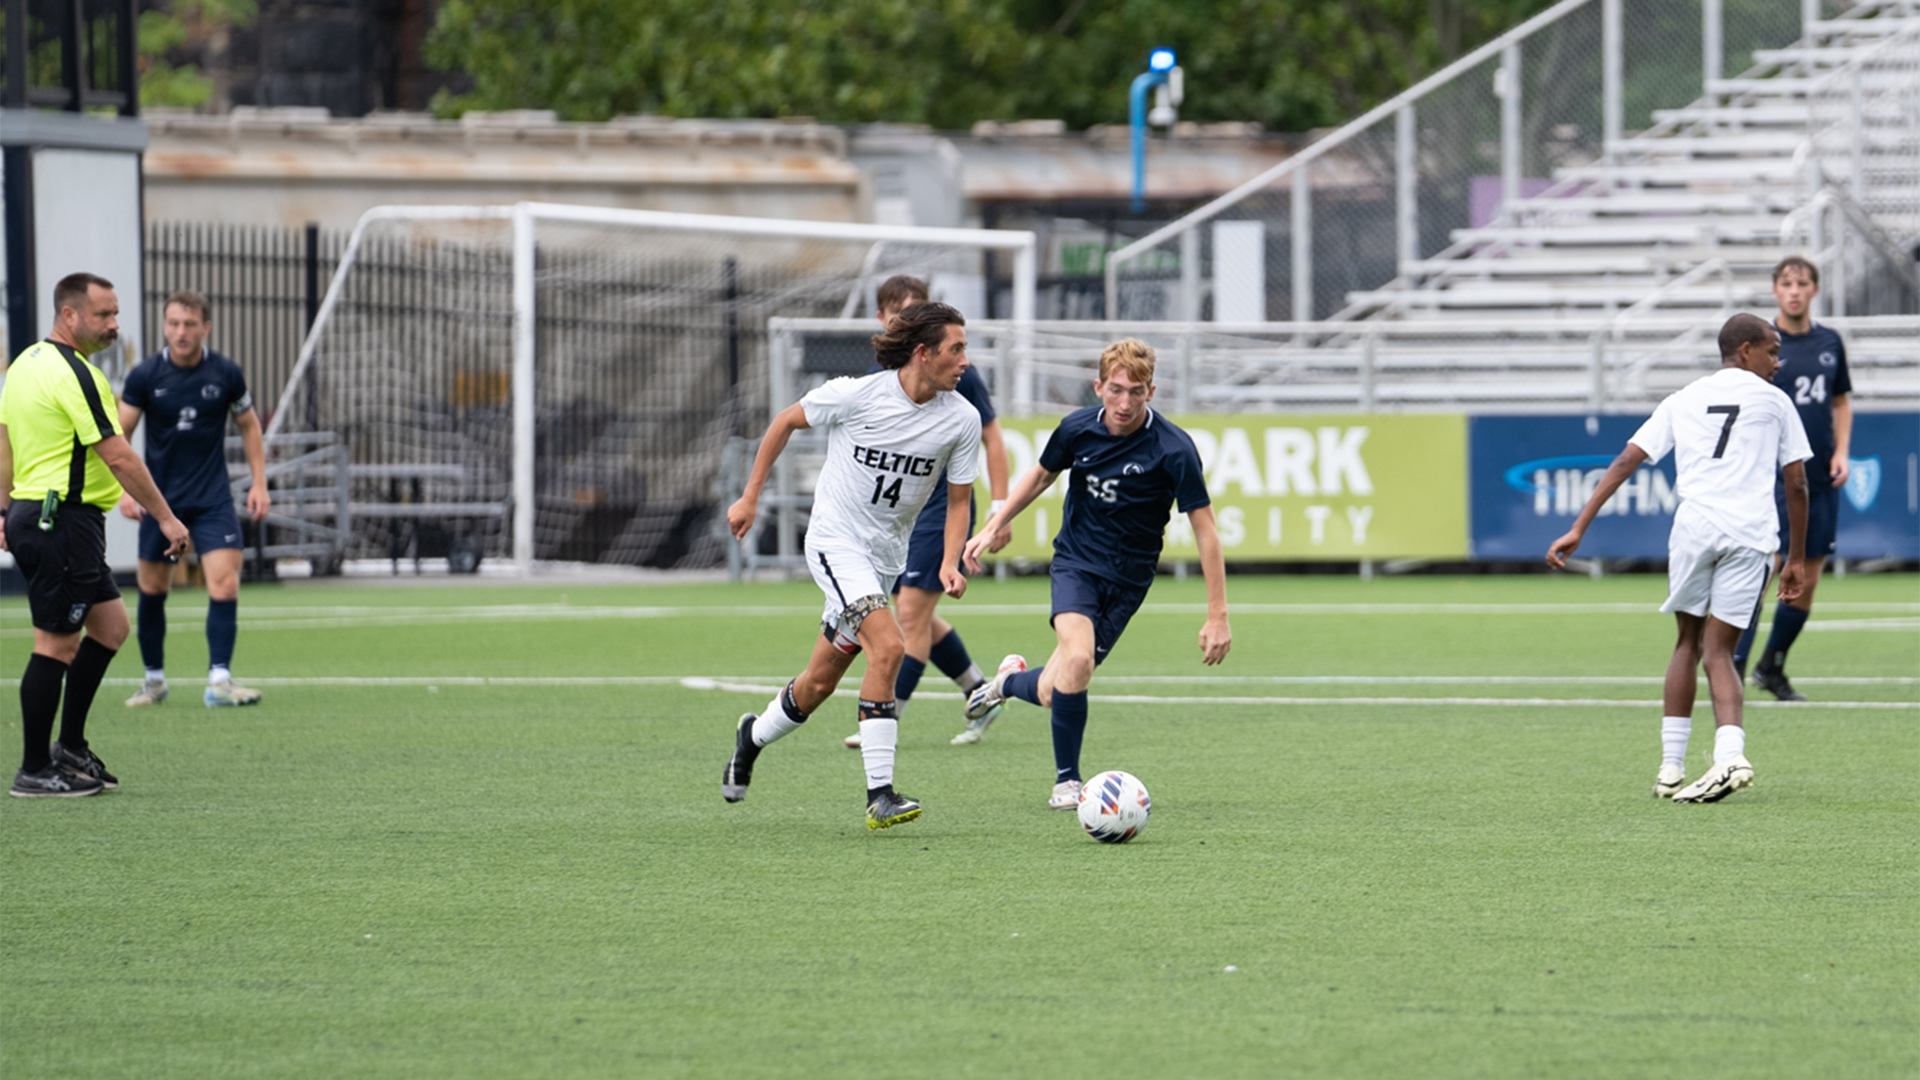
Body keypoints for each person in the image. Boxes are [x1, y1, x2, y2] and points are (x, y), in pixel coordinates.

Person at [722, 301, 982, 830]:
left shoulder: (962, 418)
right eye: (956, 349)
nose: (965, 361)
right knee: (890, 646)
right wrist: (750, 497)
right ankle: (880, 793)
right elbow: (784, 421)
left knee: (817, 684)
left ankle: (750, 738)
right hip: (835, 543)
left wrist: (950, 561)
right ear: (922, 352)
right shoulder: (859, 394)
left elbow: (958, 501)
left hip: (886, 558)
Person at [960, 338, 1232, 810]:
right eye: (1116, 390)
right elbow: (1041, 477)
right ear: (1098, 386)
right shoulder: (1076, 429)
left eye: (1136, 391)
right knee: (1079, 661)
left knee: (1054, 688)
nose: (1124, 402)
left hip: (1129, 581)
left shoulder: (1174, 449)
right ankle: (1068, 782)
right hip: (1077, 565)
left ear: (1152, 391)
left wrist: (1217, 615)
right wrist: (993, 526)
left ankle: (1005, 682)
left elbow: (1207, 533)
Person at [1548, 313, 1810, 804]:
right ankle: (1730, 754)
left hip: (1694, 530)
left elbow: (1628, 459)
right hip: (1750, 536)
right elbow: (1796, 482)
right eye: (1773, 351)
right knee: (1721, 650)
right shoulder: (1776, 403)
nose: (1778, 361)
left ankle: (1670, 768)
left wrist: (1579, 526)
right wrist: (1795, 557)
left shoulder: (1684, 397)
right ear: (1747, 349)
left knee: (1687, 642)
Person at [0, 273, 190, 797]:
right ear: (70, 316)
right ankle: (34, 770)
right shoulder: (76, 374)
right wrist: (166, 517)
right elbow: (118, 454)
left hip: (47, 518)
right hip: (59, 521)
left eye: (115, 314)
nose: (114, 325)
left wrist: (3, 508)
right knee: (56, 645)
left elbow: (5, 441)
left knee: (110, 629)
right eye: (103, 315)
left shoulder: (24, 364)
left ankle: (70, 748)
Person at [840, 275, 1012, 750]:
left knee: (911, 615)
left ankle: (884, 716)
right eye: (900, 317)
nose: (910, 326)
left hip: (942, 507)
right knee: (918, 612)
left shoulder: (956, 371)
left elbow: (992, 438)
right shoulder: (881, 381)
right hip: (903, 514)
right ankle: (982, 690)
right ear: (883, 321)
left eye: (918, 314)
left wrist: (1000, 510)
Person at [117, 290, 271, 708]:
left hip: (211, 500)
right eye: (173, 323)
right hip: (159, 502)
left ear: (206, 327)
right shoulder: (145, 376)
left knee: (224, 584)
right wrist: (125, 491)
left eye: (189, 324)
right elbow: (119, 434)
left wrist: (259, 483)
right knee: (152, 589)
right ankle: (154, 681)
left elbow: (250, 427)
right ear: (164, 325)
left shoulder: (226, 373)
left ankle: (219, 681)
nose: (180, 332)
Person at [1731, 255, 1852, 701]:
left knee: (1809, 576)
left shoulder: (1830, 342)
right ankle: (1733, 667)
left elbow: (1839, 401)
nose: (1795, 290)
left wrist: (1841, 451)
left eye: (1803, 283)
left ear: (1815, 290)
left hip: (1818, 476)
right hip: (1773, 479)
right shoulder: (1762, 341)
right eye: (1787, 283)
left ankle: (1772, 666)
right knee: (1764, 572)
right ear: (1776, 290)